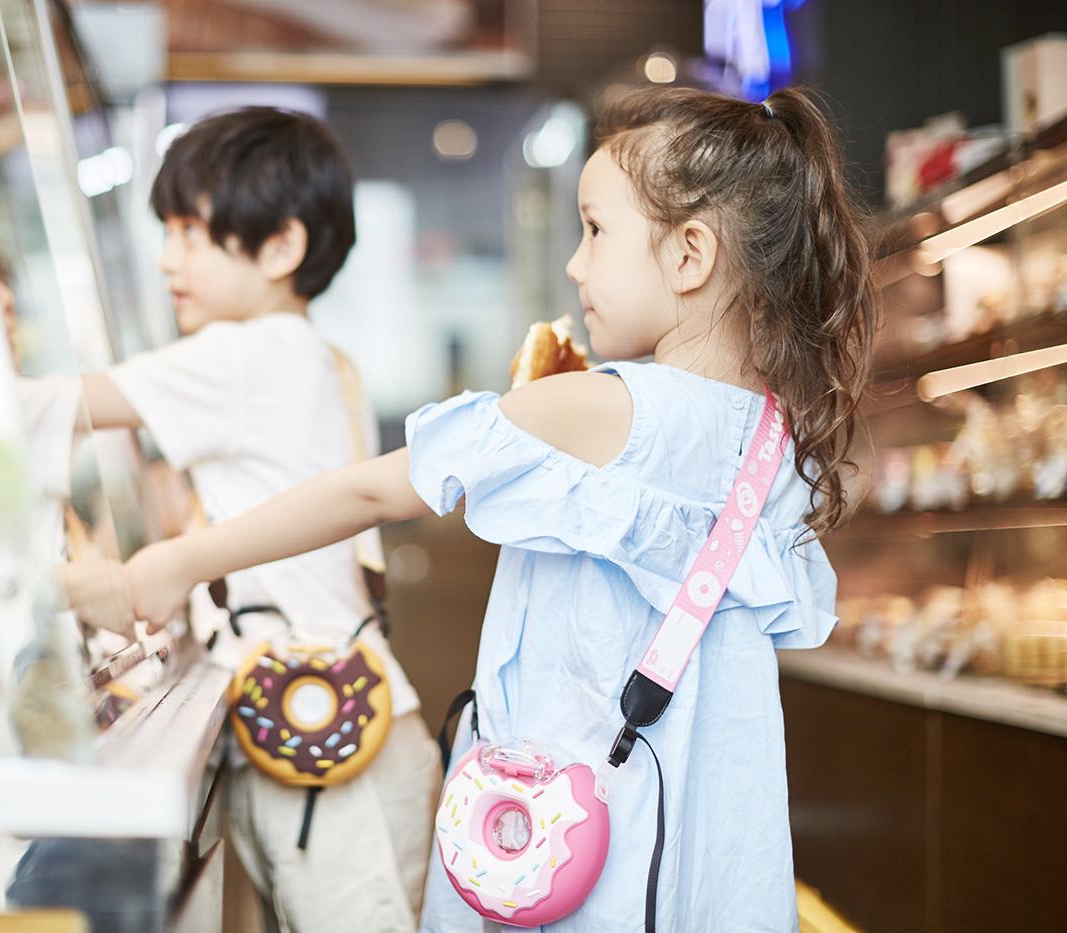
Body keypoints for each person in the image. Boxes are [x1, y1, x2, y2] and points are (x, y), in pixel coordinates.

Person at [62, 85, 879, 932]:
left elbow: (371, 488)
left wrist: (175, 563)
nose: (574, 263)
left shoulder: (605, 409)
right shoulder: (771, 438)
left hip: (568, 854)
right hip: (701, 856)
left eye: (595, 230)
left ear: (689, 255)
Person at [0, 106, 440, 933]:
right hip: (341, 725)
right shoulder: (308, 352)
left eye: (191, 233)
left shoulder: (246, 352)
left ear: (281, 247)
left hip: (327, 742)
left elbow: (33, 406)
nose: (168, 259)